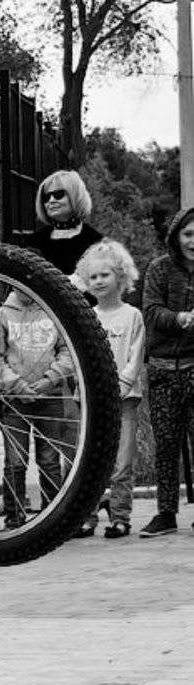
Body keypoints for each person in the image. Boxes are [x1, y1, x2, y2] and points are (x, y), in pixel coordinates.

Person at [72, 241, 144, 540]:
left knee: (122, 461)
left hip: (124, 400)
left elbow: (136, 356)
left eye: (105, 275)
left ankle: (120, 516)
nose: (98, 281)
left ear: (121, 276)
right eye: (93, 277)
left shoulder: (132, 315)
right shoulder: (86, 316)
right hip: (92, 400)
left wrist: (121, 386)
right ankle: (86, 517)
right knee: (90, 459)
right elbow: (78, 358)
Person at [0, 292, 72, 530]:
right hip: (15, 400)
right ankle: (14, 519)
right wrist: (17, 386)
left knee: (50, 459)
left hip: (50, 396)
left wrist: (50, 379)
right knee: (15, 461)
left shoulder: (53, 313)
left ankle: (53, 518)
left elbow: (67, 352)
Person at [136, 206, 194, 537]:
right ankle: (166, 513)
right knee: (166, 445)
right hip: (161, 371)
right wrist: (179, 319)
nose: (193, 241)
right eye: (188, 234)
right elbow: (151, 311)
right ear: (176, 236)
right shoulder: (159, 268)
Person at [25, 171, 103, 279]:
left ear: (75, 196)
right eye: (46, 197)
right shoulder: (34, 241)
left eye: (58, 195)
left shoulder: (94, 241)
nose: (51, 201)